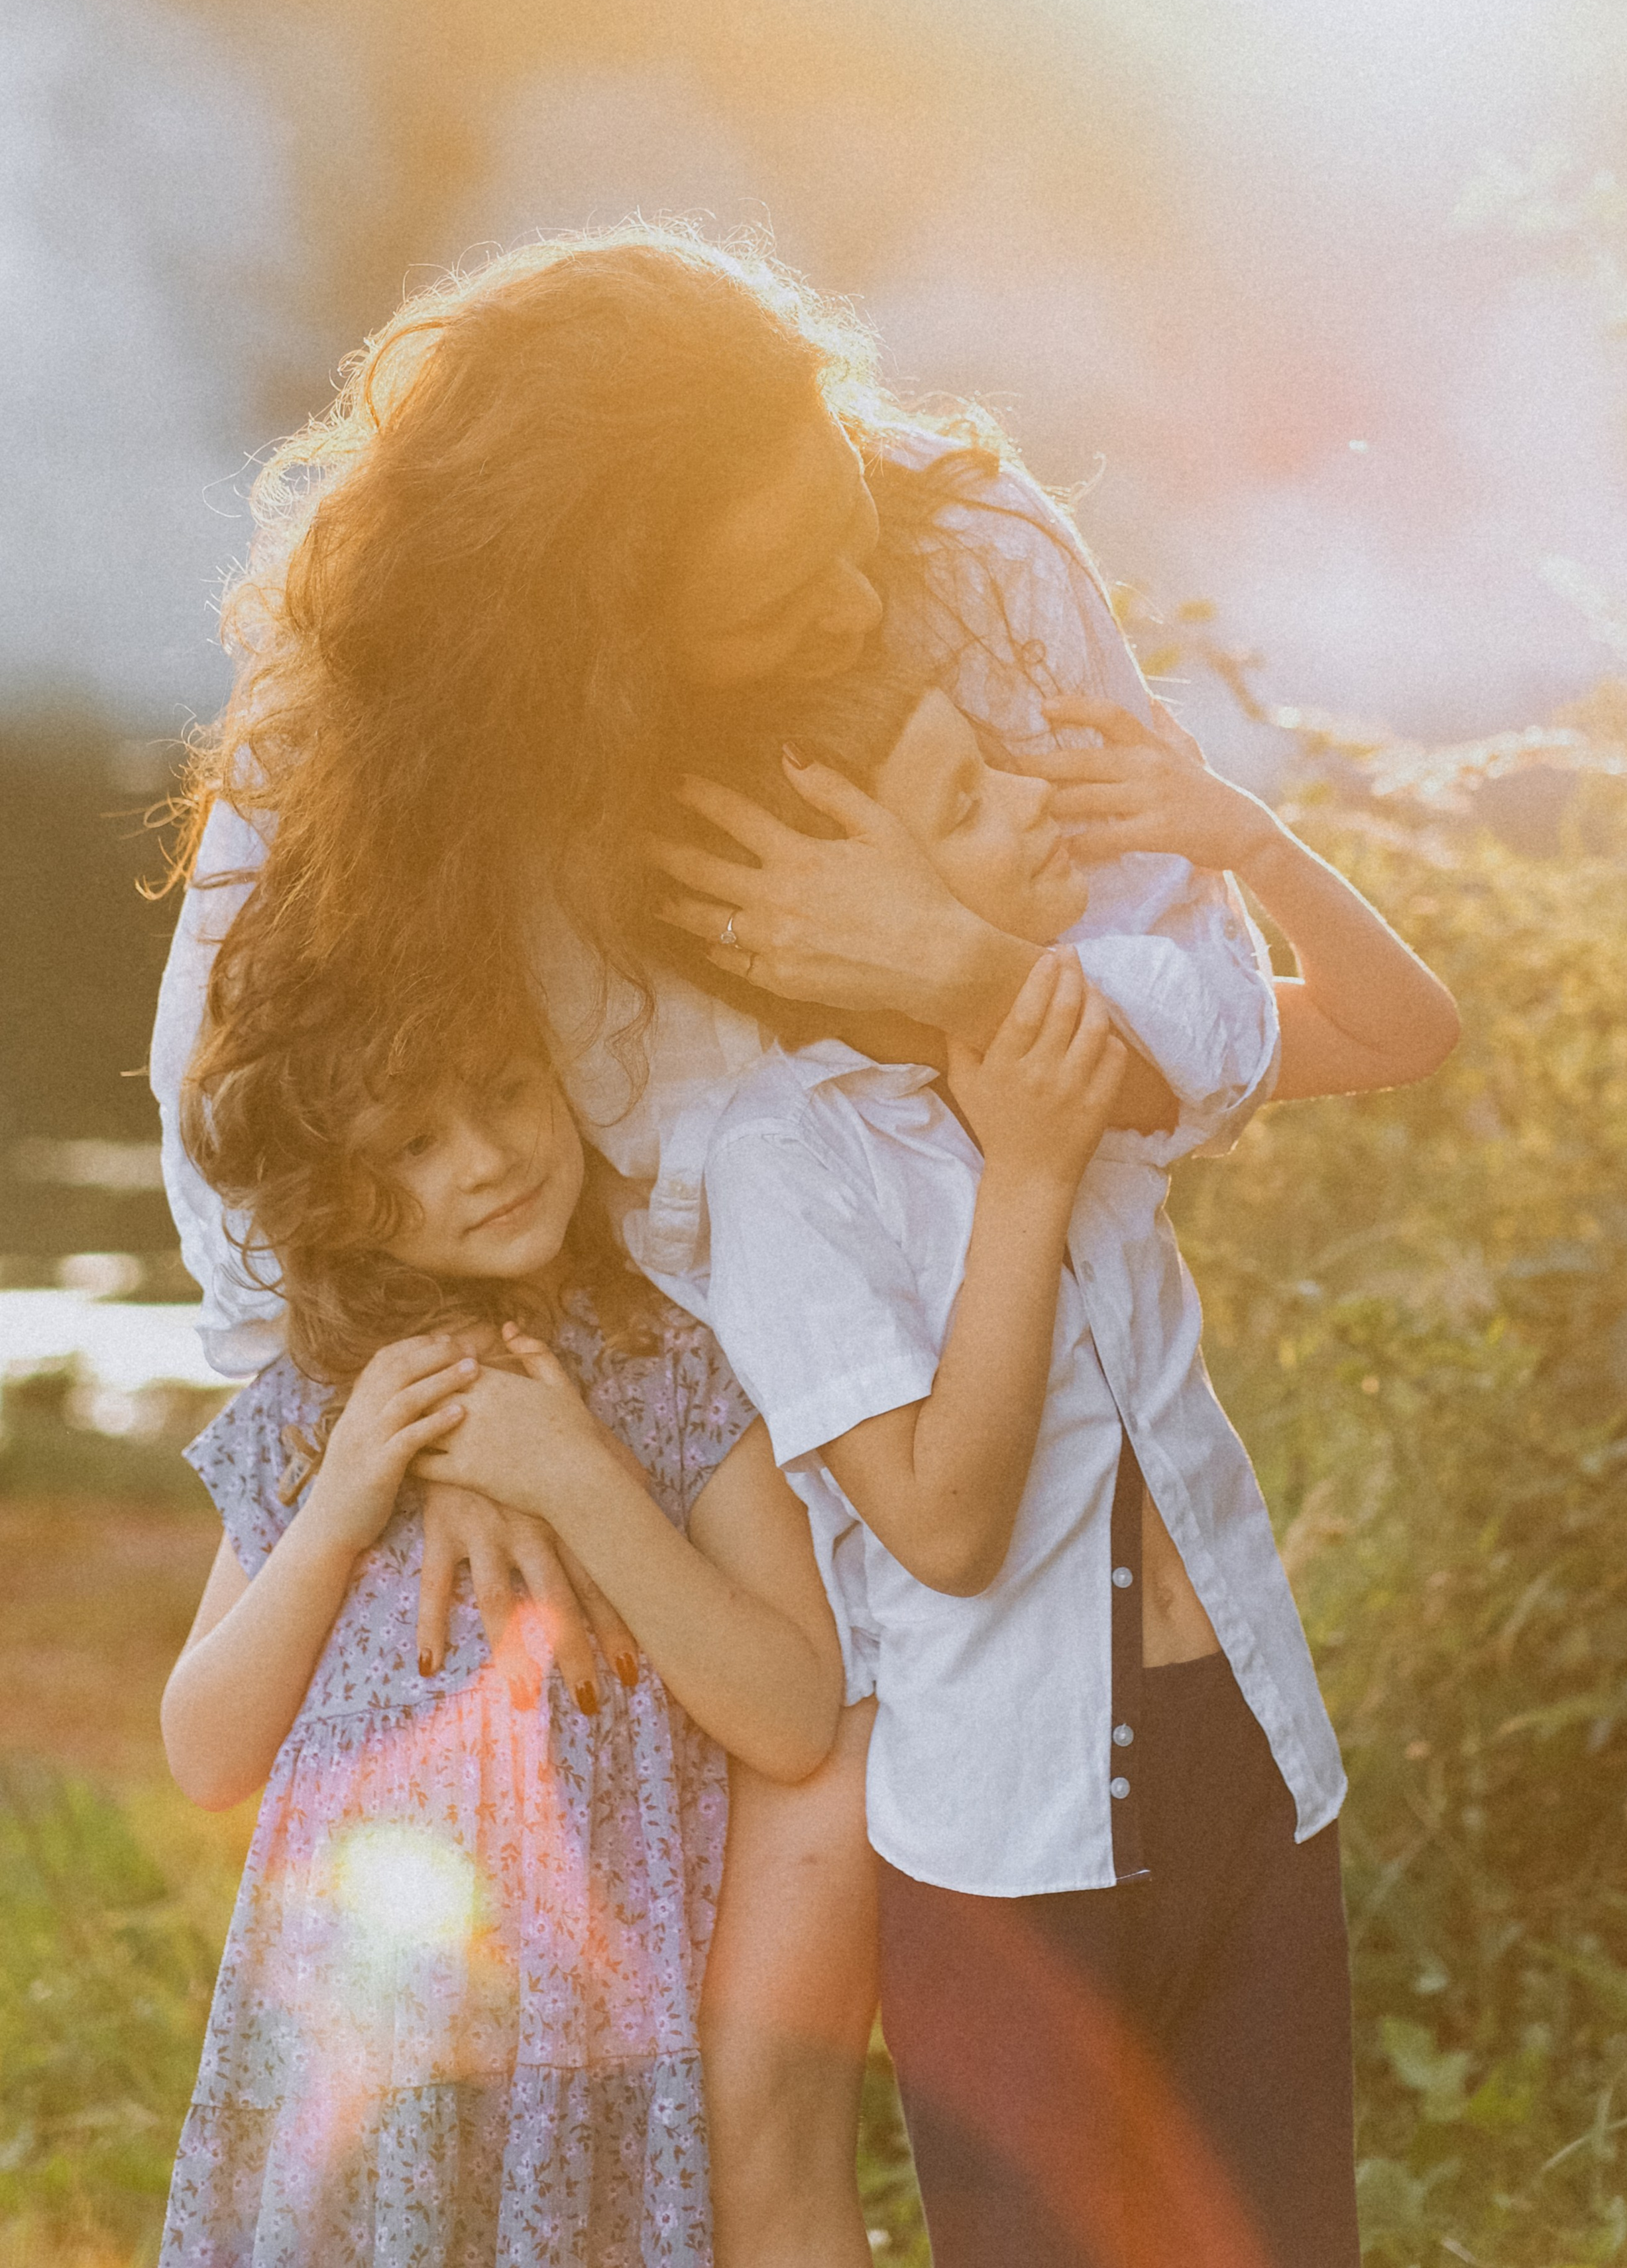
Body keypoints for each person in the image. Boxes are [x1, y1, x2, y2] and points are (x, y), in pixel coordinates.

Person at [148, 223, 1386, 2263]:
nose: (845, 592)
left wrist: (972, 970)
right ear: (588, 643)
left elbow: (1206, 1002)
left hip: (941, 1429)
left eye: (833, 515)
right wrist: (432, 1417)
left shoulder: (974, 557)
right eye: (762, 599)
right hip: (673, 1451)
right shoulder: (381, 737)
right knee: (732, 2109)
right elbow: (249, 1159)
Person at [645, 657, 1460, 2267]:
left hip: (1252, 1770)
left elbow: (1397, 1032)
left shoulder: (1092, 1006)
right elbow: (942, 1527)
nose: (1031, 804)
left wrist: (1250, 845)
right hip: (1011, 1860)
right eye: (966, 800)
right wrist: (1023, 1176)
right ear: (823, 907)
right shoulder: (785, 1164)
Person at [156, 998, 842, 2268]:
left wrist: (580, 1476)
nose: (485, 1157)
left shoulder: (680, 1371)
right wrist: (339, 1511)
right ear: (338, 1198)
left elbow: (796, 1714)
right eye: (412, 1145)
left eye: (506, 1091)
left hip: (590, 2073)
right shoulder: (327, 1406)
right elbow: (204, 1750)